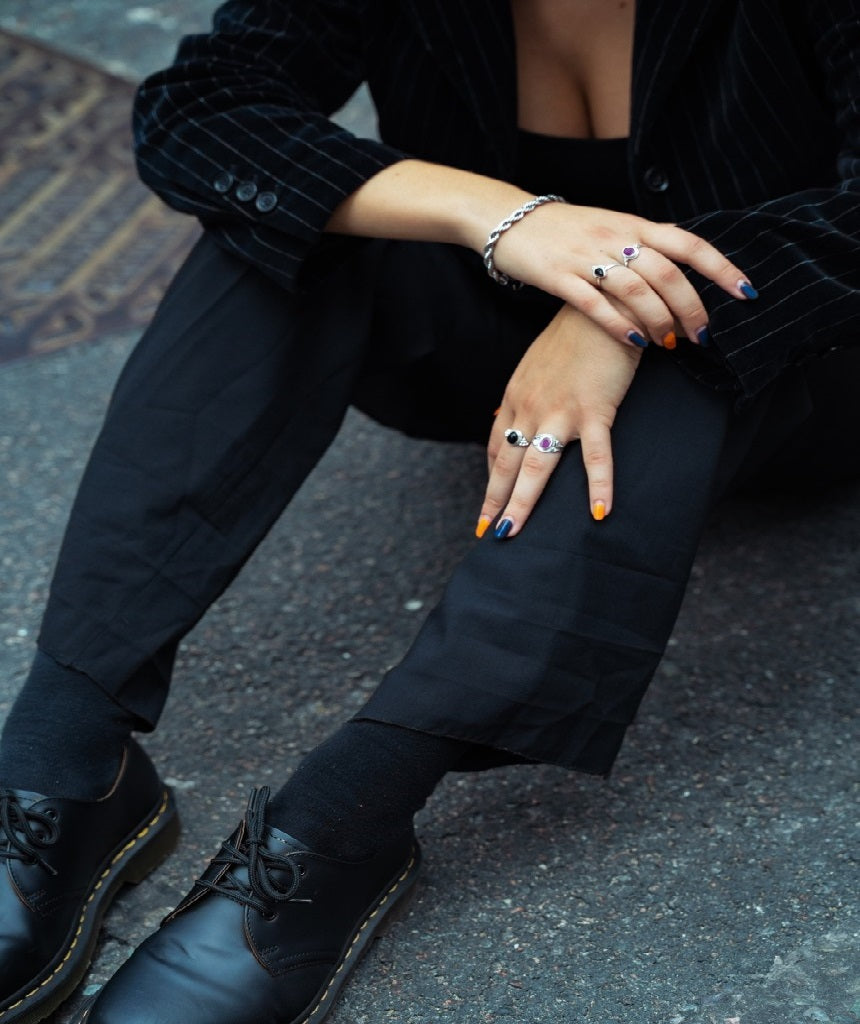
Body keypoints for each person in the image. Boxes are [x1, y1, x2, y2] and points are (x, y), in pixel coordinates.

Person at [1, 0, 858, 1021]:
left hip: (792, 370)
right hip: (488, 342)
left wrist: (618, 315)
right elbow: (200, 108)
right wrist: (504, 219)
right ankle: (67, 753)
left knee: (679, 334)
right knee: (283, 217)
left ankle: (341, 821)